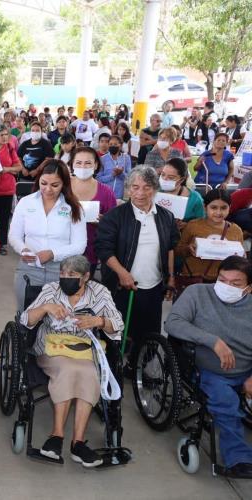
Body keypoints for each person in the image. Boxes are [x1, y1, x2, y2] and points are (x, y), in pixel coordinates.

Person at [21, 255, 123, 468]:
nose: (65, 278)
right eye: (62, 274)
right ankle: (57, 436)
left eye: (72, 275)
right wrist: (45, 308)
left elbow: (118, 324)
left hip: (85, 348)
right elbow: (26, 320)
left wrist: (99, 321)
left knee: (91, 373)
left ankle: (78, 443)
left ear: (86, 277)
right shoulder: (51, 290)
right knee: (67, 369)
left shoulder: (100, 292)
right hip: (51, 347)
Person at [165, 256, 252, 477]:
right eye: (222, 279)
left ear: (248, 288)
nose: (227, 286)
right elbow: (173, 322)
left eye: (236, 283)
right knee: (226, 403)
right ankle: (238, 459)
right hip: (210, 370)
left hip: (246, 369)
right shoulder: (198, 293)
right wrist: (212, 341)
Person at [95, 166, 179, 362]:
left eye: (147, 187)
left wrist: (171, 277)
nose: (140, 193)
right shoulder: (115, 216)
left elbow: (170, 248)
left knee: (149, 333)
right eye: (135, 187)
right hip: (122, 287)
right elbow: (104, 249)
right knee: (117, 330)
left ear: (155, 189)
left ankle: (139, 369)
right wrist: (122, 274)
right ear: (128, 189)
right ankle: (113, 367)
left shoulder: (166, 217)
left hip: (153, 285)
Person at [9, 159, 87, 309]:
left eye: (55, 185)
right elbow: (14, 235)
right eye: (43, 183)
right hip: (29, 268)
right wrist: (23, 249)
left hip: (62, 272)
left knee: (57, 319)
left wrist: (53, 254)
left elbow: (80, 244)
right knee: (26, 315)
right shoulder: (26, 203)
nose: (48, 189)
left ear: (64, 184)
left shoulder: (74, 208)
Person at [174, 189, 243, 282]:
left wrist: (240, 257)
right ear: (205, 207)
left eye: (223, 208)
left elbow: (240, 259)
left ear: (229, 207)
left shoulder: (236, 230)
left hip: (223, 281)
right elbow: (177, 250)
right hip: (194, 278)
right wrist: (188, 249)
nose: (218, 212)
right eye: (213, 207)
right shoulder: (193, 225)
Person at [69, 148, 116, 275]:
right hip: (60, 250)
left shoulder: (106, 192)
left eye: (88, 163)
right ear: (72, 164)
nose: (83, 167)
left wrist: (103, 222)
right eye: (78, 162)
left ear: (96, 165)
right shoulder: (62, 187)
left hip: (90, 253)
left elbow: (114, 226)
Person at [0, 124, 21, 255]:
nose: (4, 137)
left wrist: (6, 169)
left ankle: (1, 244)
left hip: (6, 189)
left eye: (6, 134)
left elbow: (18, 167)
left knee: (3, 218)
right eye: (1, 135)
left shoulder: (9, 147)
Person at [158, 158, 204, 227]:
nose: (164, 179)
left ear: (181, 180)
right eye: (163, 174)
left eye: (170, 177)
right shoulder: (154, 192)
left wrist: (187, 225)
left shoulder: (195, 198)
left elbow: (201, 221)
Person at [98, 135, 132, 199]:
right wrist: (112, 175)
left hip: (119, 195)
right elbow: (98, 178)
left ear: (120, 145)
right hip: (105, 193)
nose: (113, 146)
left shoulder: (126, 158)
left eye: (115, 144)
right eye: (110, 144)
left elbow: (130, 177)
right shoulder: (102, 159)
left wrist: (121, 173)